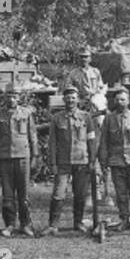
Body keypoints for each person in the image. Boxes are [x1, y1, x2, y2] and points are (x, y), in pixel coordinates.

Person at [46, 86, 100, 237]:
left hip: (82, 161)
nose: (71, 100)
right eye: (68, 97)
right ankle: (53, 224)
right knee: (58, 193)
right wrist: (53, 163)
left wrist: (92, 160)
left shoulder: (86, 117)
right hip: (63, 162)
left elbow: (91, 140)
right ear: (64, 99)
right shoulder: (57, 118)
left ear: (78, 100)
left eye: (73, 97)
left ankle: (78, 222)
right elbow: (52, 143)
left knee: (80, 194)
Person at [97, 86, 130, 230]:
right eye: (118, 99)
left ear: (128, 101)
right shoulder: (109, 118)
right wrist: (103, 161)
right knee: (121, 194)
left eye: (123, 99)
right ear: (114, 101)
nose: (120, 102)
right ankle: (124, 220)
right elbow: (104, 142)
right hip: (116, 161)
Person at [0, 87, 38, 237]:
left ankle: (25, 224)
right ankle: (10, 224)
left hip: (23, 156)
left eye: (14, 96)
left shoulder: (26, 113)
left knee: (23, 194)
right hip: (5, 157)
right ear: (5, 98)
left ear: (19, 98)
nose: (11, 99)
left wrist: (35, 156)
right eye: (9, 96)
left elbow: (33, 135)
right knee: (8, 194)